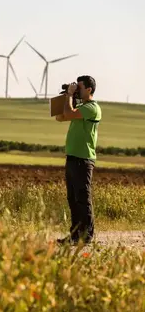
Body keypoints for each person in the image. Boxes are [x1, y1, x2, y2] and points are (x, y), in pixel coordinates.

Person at [55, 75, 102, 245]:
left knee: (83, 198)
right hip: (73, 157)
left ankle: (87, 236)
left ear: (89, 89)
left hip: (84, 158)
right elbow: (60, 117)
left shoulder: (92, 108)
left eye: (79, 87)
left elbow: (68, 114)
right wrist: (67, 97)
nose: (77, 90)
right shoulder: (80, 107)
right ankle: (75, 235)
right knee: (73, 198)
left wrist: (69, 96)